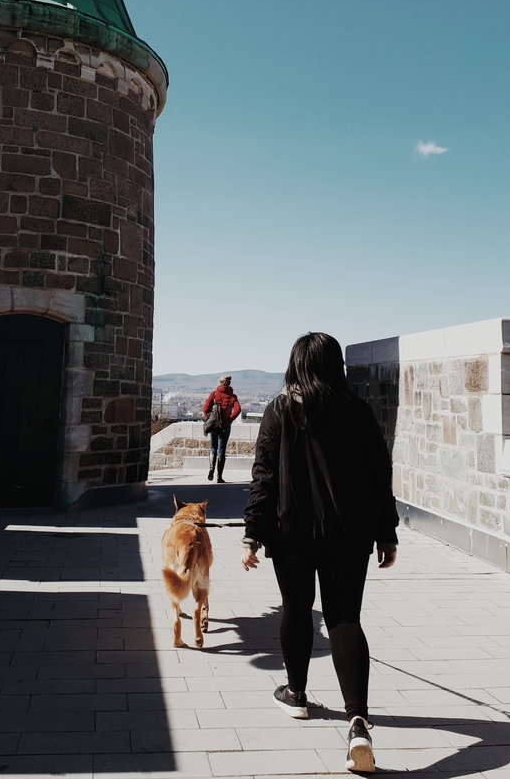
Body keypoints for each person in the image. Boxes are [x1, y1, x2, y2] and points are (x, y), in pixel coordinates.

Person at [241, 332, 398, 774]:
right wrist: (386, 533)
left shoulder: (279, 409)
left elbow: (264, 475)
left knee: (296, 607)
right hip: (349, 534)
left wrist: (252, 533)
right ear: (336, 365)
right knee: (344, 617)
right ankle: (359, 723)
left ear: (295, 364)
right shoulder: (357, 410)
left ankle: (296, 694)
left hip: (290, 532)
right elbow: (379, 476)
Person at [202, 375, 241, 483]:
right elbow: (238, 409)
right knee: (222, 451)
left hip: (214, 425)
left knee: (213, 447)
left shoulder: (214, 394)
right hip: (225, 426)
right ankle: (219, 476)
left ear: (220, 383)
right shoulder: (232, 396)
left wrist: (209, 418)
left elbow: (205, 408)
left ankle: (211, 469)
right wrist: (229, 419)